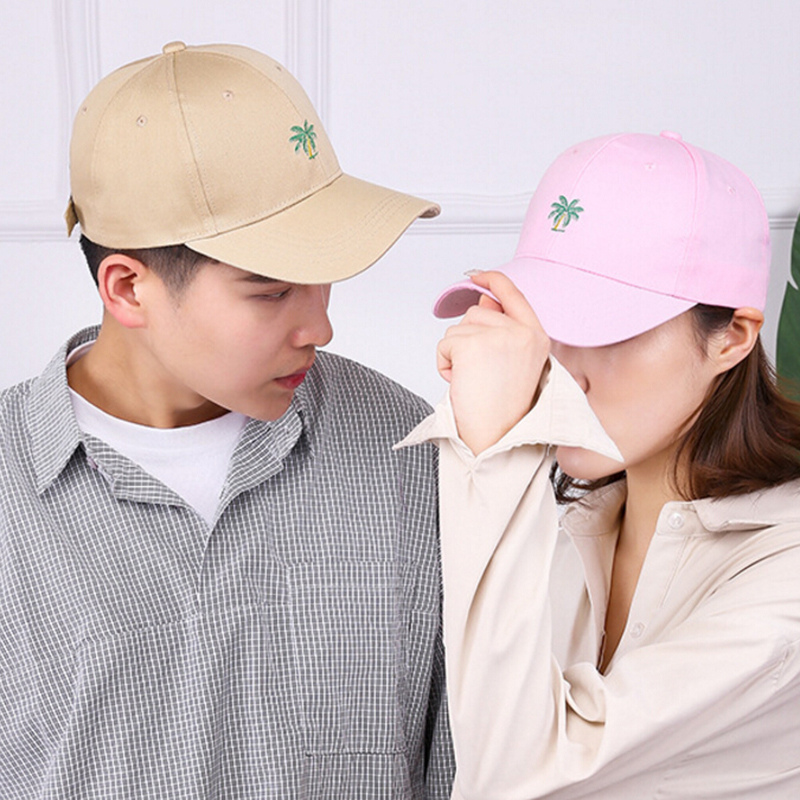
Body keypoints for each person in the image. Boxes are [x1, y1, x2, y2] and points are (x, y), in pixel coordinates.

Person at [0, 42, 454, 798]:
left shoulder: (402, 444)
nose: (320, 328)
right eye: (272, 291)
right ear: (128, 288)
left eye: (323, 277)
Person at [400, 132, 800, 798]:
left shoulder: (785, 573)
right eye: (544, 325)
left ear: (731, 337)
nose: (561, 372)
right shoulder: (567, 527)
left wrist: (494, 451)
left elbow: (514, 777)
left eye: (607, 329)